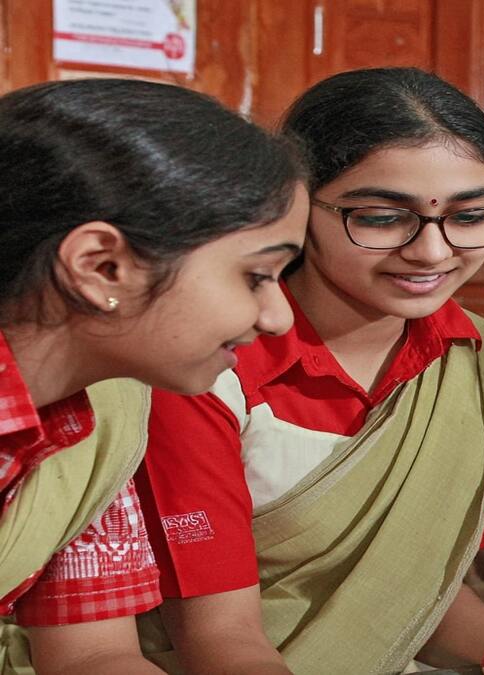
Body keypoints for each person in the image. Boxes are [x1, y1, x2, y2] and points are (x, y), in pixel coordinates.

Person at [134, 67, 484, 675]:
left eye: (469, 217)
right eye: (381, 217)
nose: (432, 252)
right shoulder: (210, 363)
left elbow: (410, 593)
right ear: (297, 206)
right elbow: (217, 637)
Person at [0, 79, 307, 674]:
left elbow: (91, 656)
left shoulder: (104, 415)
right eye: (256, 276)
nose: (278, 318)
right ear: (102, 267)